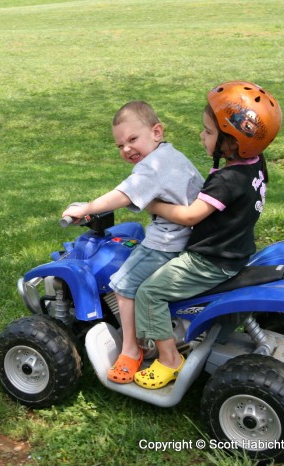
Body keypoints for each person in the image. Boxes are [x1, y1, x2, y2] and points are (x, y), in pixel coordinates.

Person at [133, 81, 282, 389]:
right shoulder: (254, 166)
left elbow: (190, 215)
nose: (201, 136)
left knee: (149, 293)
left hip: (209, 261)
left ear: (234, 141)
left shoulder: (227, 179)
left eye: (209, 132)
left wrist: (153, 203)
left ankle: (168, 360)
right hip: (236, 253)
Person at [62, 101, 203, 384]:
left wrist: (87, 207)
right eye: (120, 146)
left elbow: (124, 195)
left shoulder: (154, 167)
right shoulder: (171, 156)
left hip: (168, 241)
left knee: (123, 283)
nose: (126, 149)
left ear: (157, 132)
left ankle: (130, 349)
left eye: (132, 139)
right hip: (193, 237)